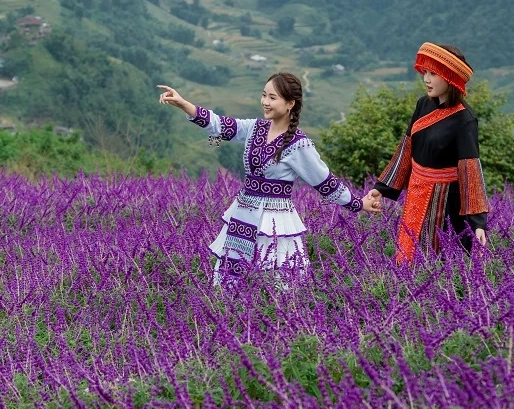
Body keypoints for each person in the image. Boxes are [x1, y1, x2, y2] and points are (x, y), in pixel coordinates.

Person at [158, 72, 380, 285]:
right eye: (264, 95)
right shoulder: (255, 128)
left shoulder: (298, 144)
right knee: (231, 282)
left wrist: (358, 204)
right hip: (243, 214)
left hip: (274, 221)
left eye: (272, 97)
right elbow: (220, 126)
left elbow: (324, 182)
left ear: (290, 103)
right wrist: (183, 103)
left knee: (275, 283)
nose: (265, 101)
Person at [368, 43, 490, 265]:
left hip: (446, 202)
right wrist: (381, 189)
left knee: (436, 258)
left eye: (433, 73)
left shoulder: (465, 120)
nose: (426, 79)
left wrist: (478, 223)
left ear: (450, 77)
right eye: (425, 72)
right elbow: (406, 150)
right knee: (409, 250)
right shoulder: (423, 104)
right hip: (416, 192)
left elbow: (470, 172)